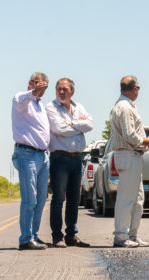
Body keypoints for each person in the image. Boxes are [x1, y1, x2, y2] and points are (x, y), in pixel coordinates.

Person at [109, 75, 149, 248]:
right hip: (128, 154)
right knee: (126, 197)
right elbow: (129, 134)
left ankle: (132, 234)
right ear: (134, 89)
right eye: (138, 88)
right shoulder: (124, 107)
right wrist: (148, 141)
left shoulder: (127, 106)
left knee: (138, 198)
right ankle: (120, 235)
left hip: (134, 155)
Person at [46, 78, 94, 248]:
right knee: (59, 198)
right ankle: (57, 236)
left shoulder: (78, 107)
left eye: (65, 89)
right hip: (60, 158)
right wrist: (79, 127)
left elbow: (91, 124)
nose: (61, 92)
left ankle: (71, 235)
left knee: (74, 199)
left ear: (72, 91)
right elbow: (59, 129)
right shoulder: (51, 107)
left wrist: (73, 123)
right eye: (58, 89)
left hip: (77, 159)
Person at [12, 72, 50, 251]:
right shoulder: (22, 99)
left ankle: (34, 235)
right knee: (30, 198)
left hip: (43, 155)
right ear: (30, 83)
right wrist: (33, 91)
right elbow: (20, 99)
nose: (40, 88)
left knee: (41, 198)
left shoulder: (40, 106)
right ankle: (25, 238)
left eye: (44, 86)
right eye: (37, 84)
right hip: (27, 153)